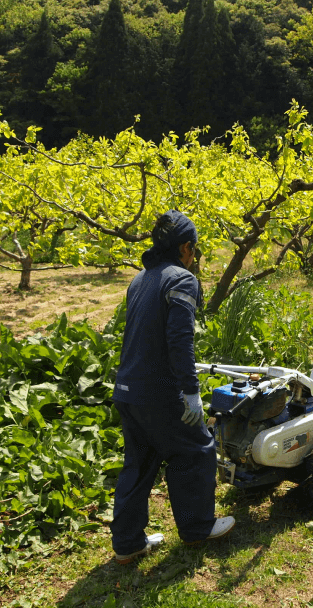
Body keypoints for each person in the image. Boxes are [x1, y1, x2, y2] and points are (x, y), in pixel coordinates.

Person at [110, 210, 234, 565]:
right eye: (194, 249)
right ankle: (198, 528)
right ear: (186, 247)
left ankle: (128, 543)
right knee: (195, 451)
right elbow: (179, 339)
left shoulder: (140, 279)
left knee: (139, 463)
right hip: (159, 391)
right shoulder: (181, 279)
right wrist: (190, 391)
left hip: (128, 389)